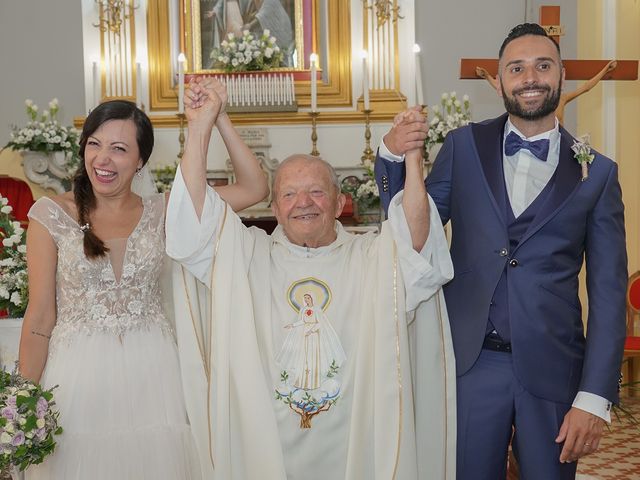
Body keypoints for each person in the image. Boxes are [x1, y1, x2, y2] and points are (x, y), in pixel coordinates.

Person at [166, 78, 457, 479]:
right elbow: (193, 224)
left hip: (352, 441)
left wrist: (412, 159)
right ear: (274, 207)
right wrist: (202, 124)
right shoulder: (249, 254)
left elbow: (416, 242)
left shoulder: (370, 256)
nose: (303, 203)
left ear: (340, 203)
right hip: (267, 443)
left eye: (316, 193)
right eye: (289, 195)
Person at [375, 23, 627, 480]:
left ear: (562, 75)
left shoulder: (599, 174)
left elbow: (608, 295)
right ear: (500, 80)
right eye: (517, 68)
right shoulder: (463, 147)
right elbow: (413, 229)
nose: (530, 77)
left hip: (554, 371)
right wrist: (394, 157)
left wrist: (593, 398)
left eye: (542, 65)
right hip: (469, 364)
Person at [18, 98, 268, 479]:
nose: (103, 159)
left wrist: (220, 120)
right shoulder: (51, 214)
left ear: (140, 161)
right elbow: (39, 317)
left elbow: (254, 188)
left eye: (119, 149)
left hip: (156, 373)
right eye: (94, 144)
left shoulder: (166, 210)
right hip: (76, 377)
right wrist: (22, 399)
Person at [476, 59, 618, 125]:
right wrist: (487, 76)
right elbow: (507, 90)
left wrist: (606, 69)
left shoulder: (563, 98)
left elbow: (586, 87)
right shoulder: (537, 98)